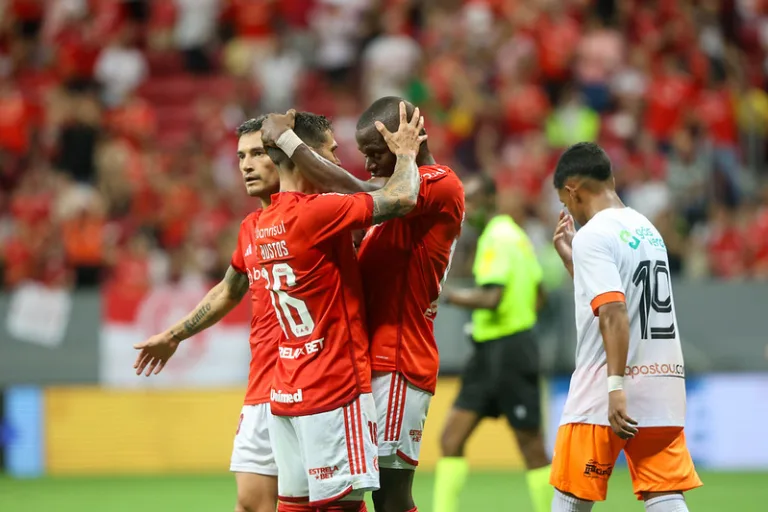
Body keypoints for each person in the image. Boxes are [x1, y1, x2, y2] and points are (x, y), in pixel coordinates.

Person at [264, 96, 465, 512]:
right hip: (362, 365)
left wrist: (287, 141)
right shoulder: (385, 214)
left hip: (398, 359)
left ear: (407, 141)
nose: (369, 165)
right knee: (352, 493)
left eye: (376, 154)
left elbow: (360, 191)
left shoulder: (438, 182)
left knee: (390, 498)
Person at [132, 116, 283, 512]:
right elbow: (229, 289)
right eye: (241, 156)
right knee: (251, 503)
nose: (246, 165)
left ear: (284, 156)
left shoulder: (321, 214)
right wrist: (175, 335)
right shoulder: (251, 227)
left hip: (318, 384)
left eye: (258, 154)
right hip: (264, 385)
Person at [549, 142, 702, 512]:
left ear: (572, 190)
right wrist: (575, 264)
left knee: (571, 496)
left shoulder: (593, 234)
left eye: (564, 201)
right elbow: (626, 300)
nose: (567, 209)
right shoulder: (647, 229)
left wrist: (615, 387)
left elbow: (615, 311)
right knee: (663, 492)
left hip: (605, 390)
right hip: (662, 388)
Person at [433, 174, 553, 512]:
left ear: (490, 200)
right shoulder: (518, 237)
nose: (465, 209)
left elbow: (492, 297)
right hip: (493, 351)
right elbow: (540, 295)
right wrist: (521, 317)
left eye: (471, 201)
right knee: (451, 438)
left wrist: (447, 296)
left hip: (508, 352)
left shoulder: (496, 239)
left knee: (530, 446)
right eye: (463, 202)